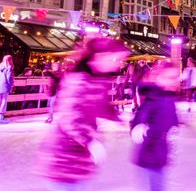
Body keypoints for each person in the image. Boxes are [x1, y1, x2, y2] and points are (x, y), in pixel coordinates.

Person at [39, 38, 130, 190]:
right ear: (100, 56)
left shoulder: (98, 79)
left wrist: (117, 117)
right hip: (63, 158)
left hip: (79, 159)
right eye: (116, 58)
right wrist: (89, 141)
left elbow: (101, 105)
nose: (118, 63)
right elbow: (70, 117)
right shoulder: (79, 81)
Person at [130, 60, 179, 191]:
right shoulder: (154, 97)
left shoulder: (169, 96)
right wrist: (138, 125)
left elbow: (171, 116)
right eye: (170, 78)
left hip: (161, 148)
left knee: (158, 183)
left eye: (176, 77)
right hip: (150, 149)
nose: (174, 81)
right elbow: (142, 112)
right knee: (155, 184)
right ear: (158, 78)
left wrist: (174, 126)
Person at [0, 55, 14, 124]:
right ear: (10, 60)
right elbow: (9, 78)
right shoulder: (9, 67)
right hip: (5, 86)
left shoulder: (0, 66)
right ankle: (1, 116)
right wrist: (11, 85)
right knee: (4, 101)